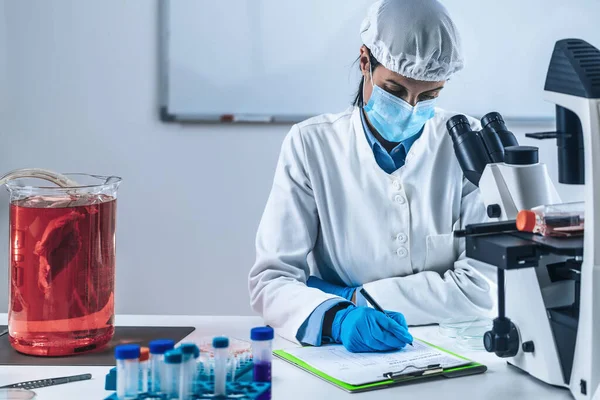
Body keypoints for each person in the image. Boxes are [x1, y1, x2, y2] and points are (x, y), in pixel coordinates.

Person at [248, 0, 496, 353]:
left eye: (429, 95)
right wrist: (338, 319)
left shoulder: (467, 144)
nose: (411, 108)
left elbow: (482, 287)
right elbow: (271, 281)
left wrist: (354, 299)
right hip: (343, 355)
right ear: (365, 61)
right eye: (395, 90)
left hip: (452, 353)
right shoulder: (311, 144)